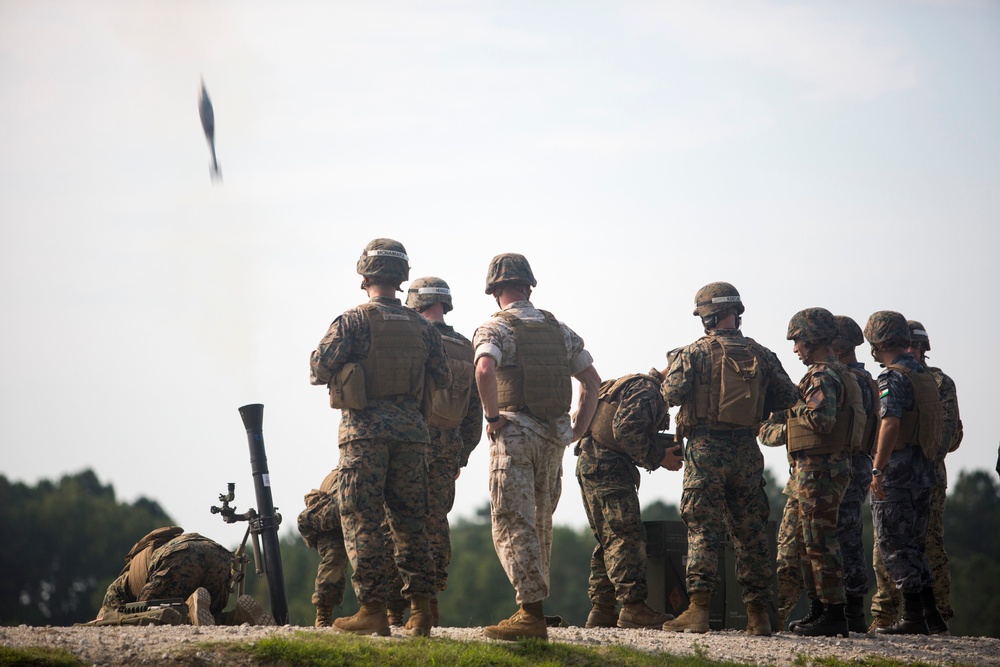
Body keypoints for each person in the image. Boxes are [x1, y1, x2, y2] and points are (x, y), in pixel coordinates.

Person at [309, 238, 452, 637]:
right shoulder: (424, 328)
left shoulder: (352, 322)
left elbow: (319, 367)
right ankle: (420, 612)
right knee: (411, 523)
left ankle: (372, 609)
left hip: (364, 436)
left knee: (362, 519)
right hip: (412, 436)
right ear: (401, 276)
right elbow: (444, 378)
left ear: (365, 275)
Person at [473, 252, 601, 641]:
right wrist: (578, 427)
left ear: (495, 290)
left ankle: (530, 614)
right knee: (541, 521)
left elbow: (483, 369)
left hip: (514, 434)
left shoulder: (496, 328)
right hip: (553, 440)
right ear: (529, 286)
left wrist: (493, 417)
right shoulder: (558, 329)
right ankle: (534, 608)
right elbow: (592, 381)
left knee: (512, 520)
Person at [660, 281, 798, 636]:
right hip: (747, 453)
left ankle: (699, 610)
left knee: (702, 526)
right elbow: (788, 397)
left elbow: (670, 393)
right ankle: (758, 616)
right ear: (736, 313)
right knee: (750, 533)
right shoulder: (762, 354)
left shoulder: (694, 352)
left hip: (706, 449)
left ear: (707, 314)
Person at [758, 308, 865, 637]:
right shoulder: (841, 373)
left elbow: (821, 421)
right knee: (808, 543)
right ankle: (820, 609)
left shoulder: (821, 376)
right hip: (823, 469)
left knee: (820, 543)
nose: (795, 349)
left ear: (814, 339)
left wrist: (791, 402)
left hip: (819, 470)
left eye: (799, 341)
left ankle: (832, 613)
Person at [399, 276, 484, 626]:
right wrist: (459, 455)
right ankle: (432, 601)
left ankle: (401, 605)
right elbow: (475, 411)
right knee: (437, 519)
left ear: (416, 303)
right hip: (448, 445)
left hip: (410, 441)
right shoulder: (466, 347)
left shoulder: (413, 339)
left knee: (401, 520)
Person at [869, 320, 962, 633]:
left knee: (893, 545)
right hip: (925, 472)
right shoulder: (925, 376)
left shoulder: (893, 375)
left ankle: (912, 618)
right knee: (915, 546)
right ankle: (930, 616)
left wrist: (878, 467)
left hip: (898, 470)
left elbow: (890, 424)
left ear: (878, 341)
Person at [576, 367, 683, 630]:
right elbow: (625, 431)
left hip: (594, 465)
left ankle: (602, 609)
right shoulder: (649, 392)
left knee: (609, 538)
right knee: (628, 536)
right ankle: (633, 609)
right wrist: (660, 456)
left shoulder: (637, 386)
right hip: (608, 468)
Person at [93, 526, 272, 626]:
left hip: (181, 556)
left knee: (155, 614)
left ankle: (190, 608)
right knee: (210, 613)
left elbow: (107, 619)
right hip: (220, 555)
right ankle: (238, 616)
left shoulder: (116, 590)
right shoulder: (142, 566)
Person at [831, 315, 880, 633]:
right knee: (849, 536)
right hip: (861, 462)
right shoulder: (868, 379)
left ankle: (847, 613)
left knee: (839, 539)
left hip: (844, 465)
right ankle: (855, 613)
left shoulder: (845, 379)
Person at [297, 469, 349, 627]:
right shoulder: (345, 480)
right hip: (331, 523)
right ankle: (323, 615)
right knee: (335, 556)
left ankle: (394, 614)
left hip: (363, 519)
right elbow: (313, 519)